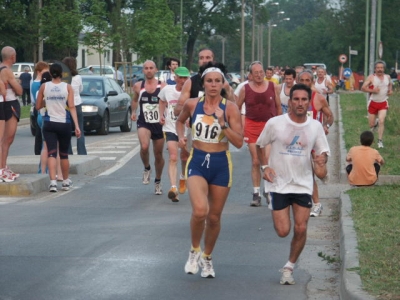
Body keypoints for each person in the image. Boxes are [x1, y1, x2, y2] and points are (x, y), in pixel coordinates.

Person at [256, 83, 330, 285]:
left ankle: (289, 266)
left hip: (303, 184)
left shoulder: (315, 127)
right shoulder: (275, 123)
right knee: (283, 231)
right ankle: (270, 199)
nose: (300, 103)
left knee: (301, 228)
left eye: (304, 99)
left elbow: (322, 169)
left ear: (309, 102)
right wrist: (265, 167)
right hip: (278, 183)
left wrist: (320, 165)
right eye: (296, 99)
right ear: (290, 102)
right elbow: (260, 144)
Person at [176, 66, 243, 278]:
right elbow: (179, 121)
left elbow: (239, 142)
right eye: (209, 81)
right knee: (199, 211)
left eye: (217, 81)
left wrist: (223, 123)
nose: (213, 85)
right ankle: (194, 250)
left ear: (223, 84)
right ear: (203, 84)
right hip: (197, 161)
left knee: (214, 218)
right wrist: (181, 137)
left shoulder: (230, 108)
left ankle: (207, 256)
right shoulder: (192, 104)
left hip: (221, 164)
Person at [237, 61, 281, 207]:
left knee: (267, 159)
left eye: (261, 72)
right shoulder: (245, 89)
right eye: (256, 73)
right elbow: (236, 107)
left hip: (269, 125)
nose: (259, 75)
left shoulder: (272, 86)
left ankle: (268, 190)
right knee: (256, 160)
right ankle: (256, 193)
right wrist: (237, 126)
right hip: (252, 125)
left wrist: (280, 124)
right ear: (251, 74)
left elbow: (278, 106)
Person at [36, 63, 81, 192]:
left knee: (51, 152)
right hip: (64, 123)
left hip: (49, 123)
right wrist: (77, 126)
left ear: (50, 74)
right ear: (62, 74)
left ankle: (53, 183)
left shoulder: (44, 86)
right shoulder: (67, 87)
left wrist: (47, 101)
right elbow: (72, 107)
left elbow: (38, 106)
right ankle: (66, 181)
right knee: (64, 154)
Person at [298, 70, 334, 217]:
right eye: (302, 80)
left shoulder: (318, 98)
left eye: (308, 80)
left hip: (316, 140)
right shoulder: (294, 99)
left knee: (319, 172)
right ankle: (317, 204)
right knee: (308, 174)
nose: (305, 83)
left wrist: (326, 126)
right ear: (298, 81)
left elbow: (330, 116)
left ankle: (323, 174)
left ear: (312, 82)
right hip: (300, 142)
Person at [131, 60, 166, 195]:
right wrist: (133, 112)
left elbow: (169, 103)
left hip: (159, 123)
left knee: (158, 154)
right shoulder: (138, 86)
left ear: (156, 70)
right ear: (143, 71)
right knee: (144, 147)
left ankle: (158, 181)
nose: (149, 70)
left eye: (151, 68)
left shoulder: (163, 87)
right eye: (146, 68)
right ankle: (146, 168)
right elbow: (134, 100)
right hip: (144, 122)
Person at [159, 67, 190, 201]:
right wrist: (161, 115)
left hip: (185, 130)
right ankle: (173, 187)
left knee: (184, 156)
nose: (183, 80)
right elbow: (161, 100)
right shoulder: (168, 90)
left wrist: (192, 119)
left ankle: (182, 177)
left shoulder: (191, 92)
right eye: (180, 77)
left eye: (185, 78)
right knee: (173, 156)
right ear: (175, 77)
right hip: (170, 127)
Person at [0, 46, 23, 182]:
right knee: (8, 139)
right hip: (10, 104)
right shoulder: (7, 71)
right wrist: (17, 84)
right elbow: (19, 91)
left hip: (5, 103)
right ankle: (2, 167)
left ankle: (3, 166)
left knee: (4, 139)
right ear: (12, 57)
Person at [361, 60, 393, 149]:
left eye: (381, 68)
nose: (380, 69)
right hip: (373, 103)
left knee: (382, 120)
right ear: (375, 69)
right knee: (371, 124)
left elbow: (390, 84)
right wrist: (373, 91)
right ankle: (375, 124)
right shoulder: (371, 77)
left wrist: (390, 90)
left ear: (384, 69)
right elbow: (363, 88)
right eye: (378, 68)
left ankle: (380, 141)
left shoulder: (388, 77)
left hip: (383, 102)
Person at [62, 57, 87, 155]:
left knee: (66, 130)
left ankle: (68, 152)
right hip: (77, 104)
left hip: (65, 105)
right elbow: (81, 89)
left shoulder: (62, 78)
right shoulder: (78, 78)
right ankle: (82, 152)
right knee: (80, 129)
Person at [31, 61, 50, 155]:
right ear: (38, 72)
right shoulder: (39, 84)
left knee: (40, 136)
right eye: (44, 72)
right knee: (44, 141)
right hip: (42, 111)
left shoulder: (34, 82)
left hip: (38, 111)